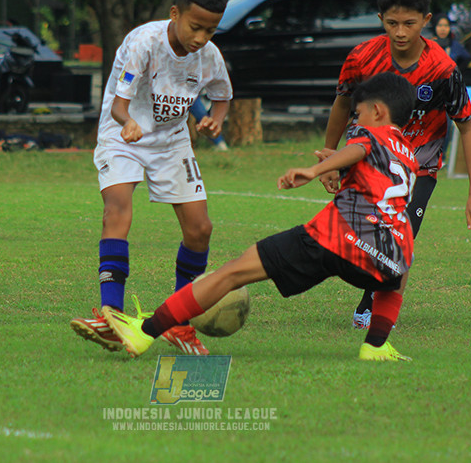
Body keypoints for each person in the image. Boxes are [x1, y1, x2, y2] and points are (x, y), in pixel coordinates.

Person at [103, 73, 419, 361]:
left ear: (377, 112)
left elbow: (360, 148)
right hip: (386, 257)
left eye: (359, 114)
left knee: (232, 273)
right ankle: (376, 344)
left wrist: (316, 169)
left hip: (335, 239)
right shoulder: (408, 155)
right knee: (398, 272)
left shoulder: (370, 136)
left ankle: (144, 332)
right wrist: (339, 170)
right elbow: (378, 189)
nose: (357, 121)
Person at [69, 0, 233, 356]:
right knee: (117, 210)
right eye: (195, 27)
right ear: (175, 13)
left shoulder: (208, 54)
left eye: (210, 30)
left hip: (172, 140)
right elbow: (118, 104)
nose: (201, 38)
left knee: (200, 229)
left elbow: (222, 95)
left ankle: (178, 320)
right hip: (124, 134)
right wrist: (127, 123)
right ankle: (113, 316)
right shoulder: (144, 42)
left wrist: (215, 121)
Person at [320, 0, 471, 329]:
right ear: (381, 19)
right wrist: (328, 155)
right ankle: (366, 287)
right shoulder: (362, 58)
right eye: (392, 23)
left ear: (426, 20)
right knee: (364, 236)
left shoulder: (443, 69)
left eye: (409, 24)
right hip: (369, 159)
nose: (400, 32)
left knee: (401, 236)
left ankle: (372, 307)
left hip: (420, 165)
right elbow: (341, 104)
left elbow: (468, 126)